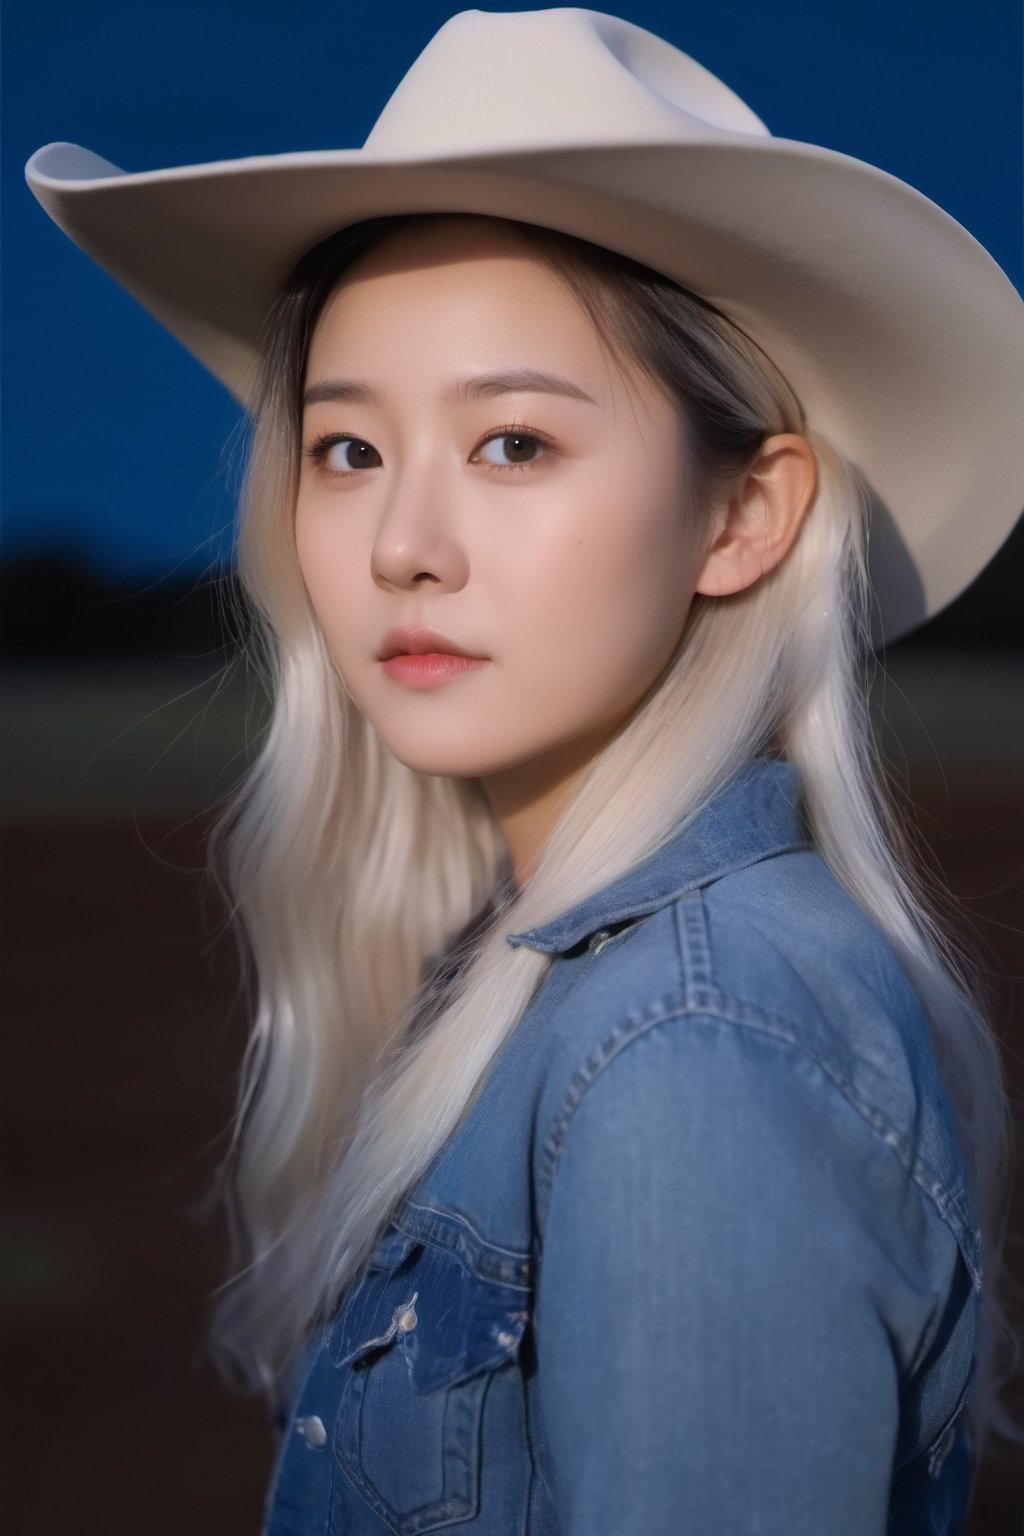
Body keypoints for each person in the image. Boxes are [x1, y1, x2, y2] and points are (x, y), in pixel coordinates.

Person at [25, 9, 1024, 1533]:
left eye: (511, 444)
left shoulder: (695, 1044)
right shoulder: (577, 984)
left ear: (744, 516)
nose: (404, 545)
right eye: (347, 449)